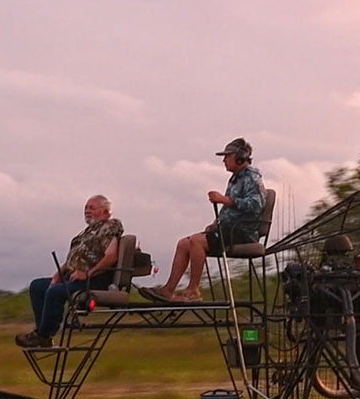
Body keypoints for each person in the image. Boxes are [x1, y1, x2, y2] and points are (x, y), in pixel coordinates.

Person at [142, 137, 265, 302]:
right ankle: (168, 290)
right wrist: (216, 224)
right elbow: (230, 209)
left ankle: (193, 289)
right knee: (183, 243)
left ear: (240, 157)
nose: (224, 160)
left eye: (227, 156)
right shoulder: (235, 178)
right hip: (228, 229)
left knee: (196, 241)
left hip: (242, 232)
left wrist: (225, 200)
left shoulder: (252, 177)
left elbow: (257, 204)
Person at [15, 195, 123, 348]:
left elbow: (111, 257)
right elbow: (76, 257)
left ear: (105, 212)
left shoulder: (110, 227)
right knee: (38, 286)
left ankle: (44, 334)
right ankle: (42, 335)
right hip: (73, 277)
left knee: (55, 292)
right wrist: (59, 273)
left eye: (92, 208)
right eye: (86, 207)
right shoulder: (87, 233)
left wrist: (87, 274)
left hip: (94, 279)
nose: (87, 211)